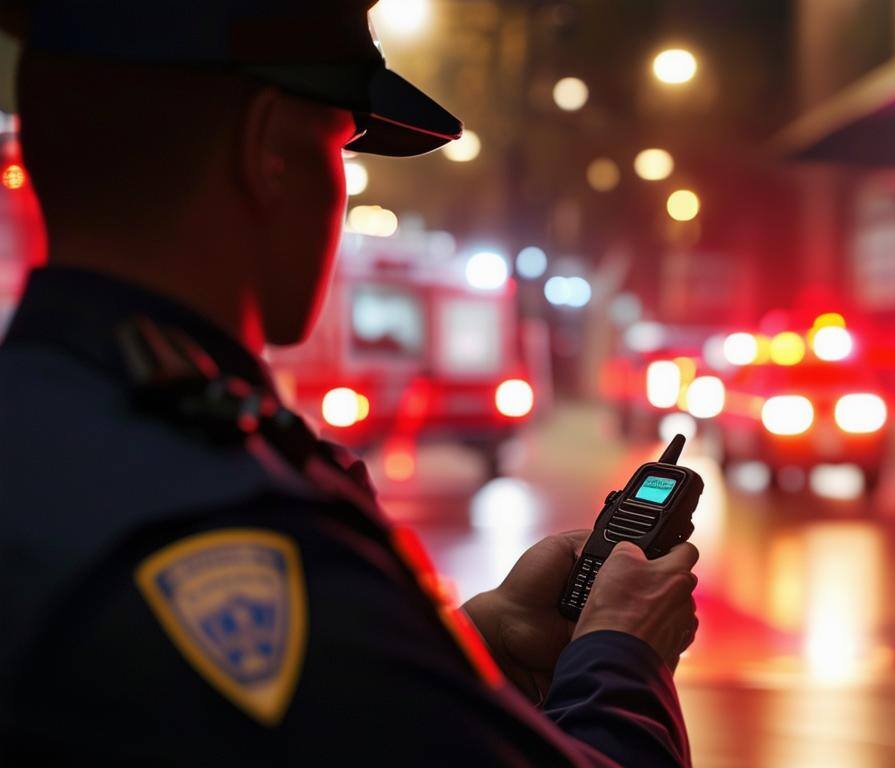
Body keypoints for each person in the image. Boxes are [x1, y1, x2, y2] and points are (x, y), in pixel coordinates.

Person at [0, 2, 699, 765]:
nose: (339, 192)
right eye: (340, 149)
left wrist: (467, 647)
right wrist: (622, 654)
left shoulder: (46, 423)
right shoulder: (237, 535)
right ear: (268, 152)